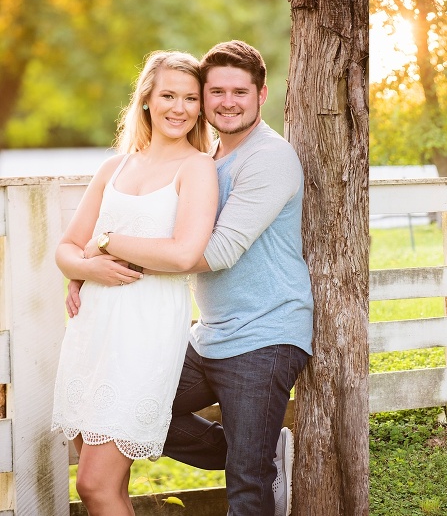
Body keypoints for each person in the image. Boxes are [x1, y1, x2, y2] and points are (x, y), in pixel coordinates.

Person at [67, 40, 313, 516]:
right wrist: (86, 270)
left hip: (264, 334)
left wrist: (106, 252)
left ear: (262, 95)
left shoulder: (269, 158)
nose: (226, 101)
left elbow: (211, 252)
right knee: (145, 417)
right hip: (209, 334)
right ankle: (259, 453)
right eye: (215, 91)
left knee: (246, 486)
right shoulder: (209, 156)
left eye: (239, 91)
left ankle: (254, 461)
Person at [52, 50, 218, 515]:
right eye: (168, 95)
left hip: (145, 330)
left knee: (93, 484)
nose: (179, 108)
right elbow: (66, 249)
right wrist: (88, 267)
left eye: (190, 98)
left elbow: (184, 253)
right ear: (147, 98)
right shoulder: (115, 168)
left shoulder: (198, 167)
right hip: (93, 332)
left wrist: (105, 243)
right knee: (110, 485)